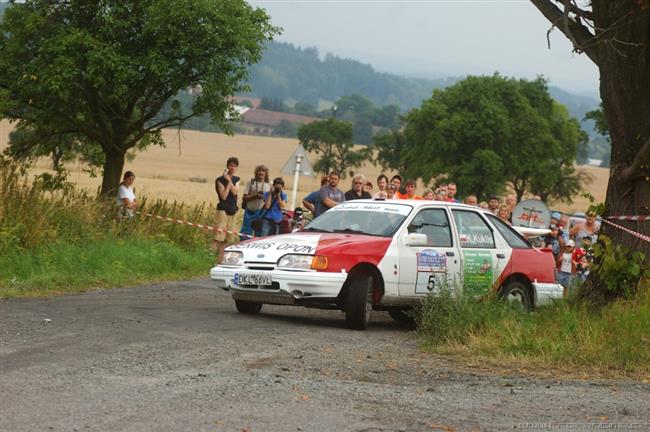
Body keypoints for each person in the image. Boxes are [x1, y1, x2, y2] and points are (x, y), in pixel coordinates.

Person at [212, 157, 240, 259]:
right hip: (223, 209)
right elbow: (223, 196)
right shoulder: (219, 180)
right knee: (218, 235)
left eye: (235, 166)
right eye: (231, 165)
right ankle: (209, 256)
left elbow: (235, 192)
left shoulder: (237, 179)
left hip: (233, 210)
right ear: (227, 166)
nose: (232, 168)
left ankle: (221, 258)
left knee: (228, 237)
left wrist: (230, 180)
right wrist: (228, 181)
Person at [240, 165, 270, 239]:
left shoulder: (269, 185)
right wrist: (255, 196)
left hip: (261, 213)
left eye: (263, 171)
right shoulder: (251, 182)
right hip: (249, 211)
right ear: (256, 173)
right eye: (259, 171)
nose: (261, 173)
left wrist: (264, 197)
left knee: (259, 233)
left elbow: (270, 201)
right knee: (245, 232)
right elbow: (244, 198)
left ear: (266, 173)